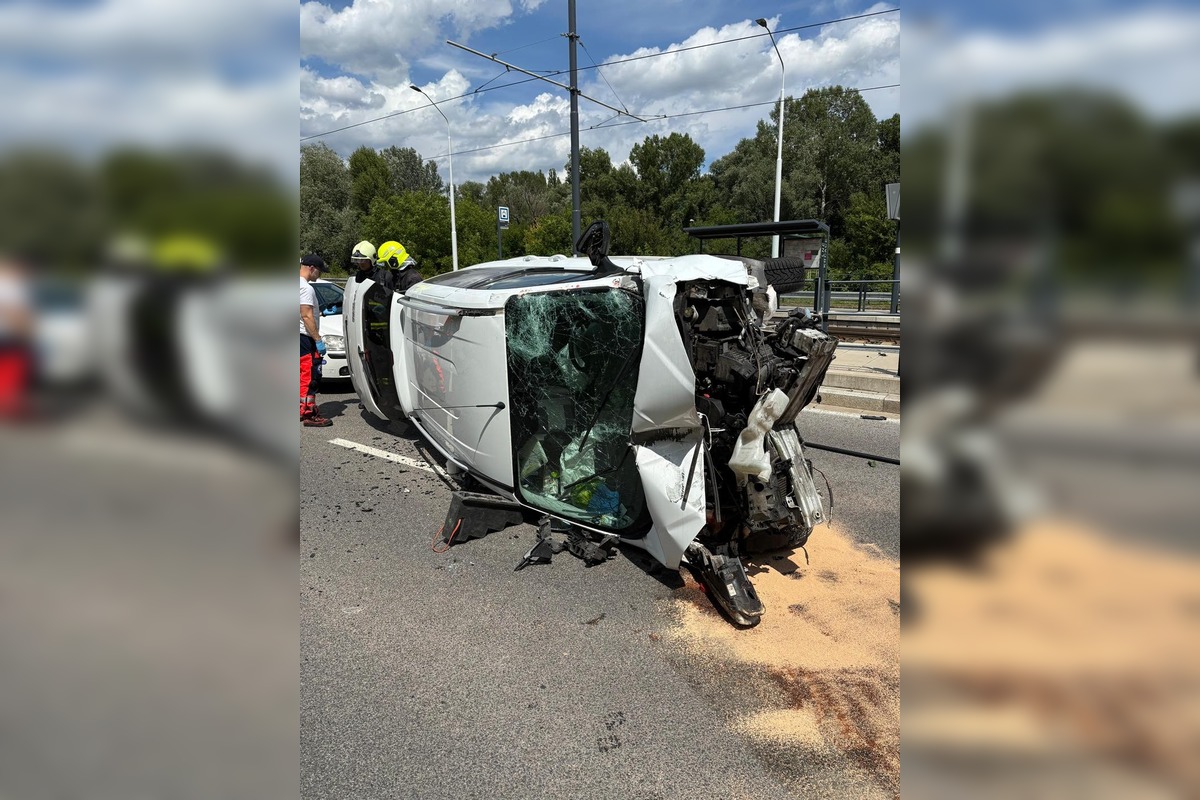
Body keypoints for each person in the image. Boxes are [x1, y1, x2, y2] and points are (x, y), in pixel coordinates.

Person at [299, 253, 332, 427]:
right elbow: (306, 315)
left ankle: (301, 408)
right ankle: (309, 413)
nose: (319, 275)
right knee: (310, 375)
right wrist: (318, 339)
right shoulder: (306, 288)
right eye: (319, 271)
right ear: (311, 268)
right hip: (305, 338)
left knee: (300, 375)